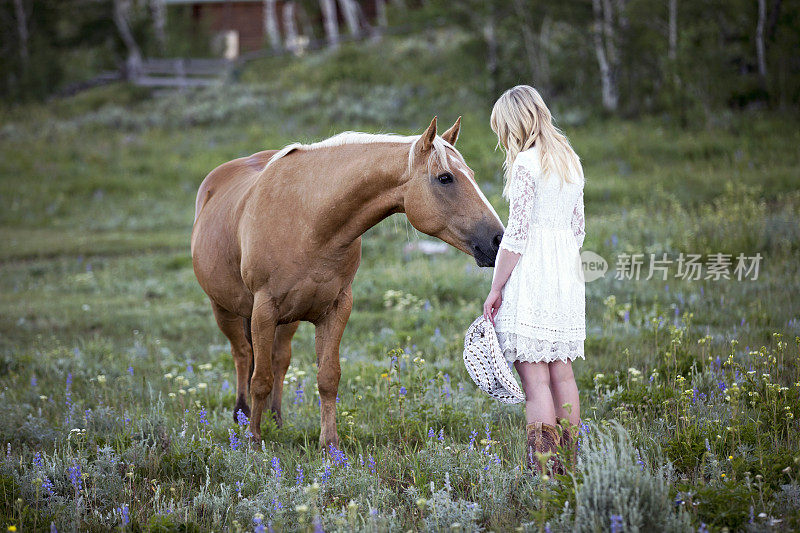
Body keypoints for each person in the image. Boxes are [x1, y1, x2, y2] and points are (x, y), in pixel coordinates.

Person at [482, 85, 586, 474]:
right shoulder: (570, 161)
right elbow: (578, 230)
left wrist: (496, 288)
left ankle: (544, 471)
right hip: (566, 275)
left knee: (535, 382)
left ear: (514, 124)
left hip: (533, 275)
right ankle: (570, 465)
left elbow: (517, 234)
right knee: (563, 373)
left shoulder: (526, 164)